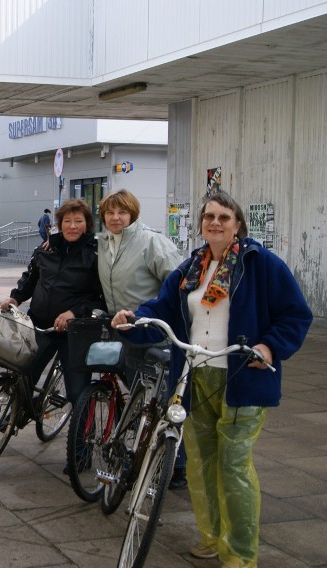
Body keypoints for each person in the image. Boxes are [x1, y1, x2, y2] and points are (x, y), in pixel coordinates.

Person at [112, 191, 312, 568]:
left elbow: (296, 314)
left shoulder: (260, 264)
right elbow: (162, 311)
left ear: (237, 224)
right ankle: (212, 537)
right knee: (202, 464)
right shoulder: (191, 268)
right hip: (193, 375)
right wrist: (134, 321)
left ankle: (239, 553)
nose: (215, 223)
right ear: (201, 224)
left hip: (241, 376)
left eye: (224, 216)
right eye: (209, 217)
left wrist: (269, 348)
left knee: (233, 465)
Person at [96, 188, 188, 486]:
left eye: (122, 212)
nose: (115, 217)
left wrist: (162, 315)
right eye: (110, 212)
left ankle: (176, 465)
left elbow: (180, 281)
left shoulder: (150, 242)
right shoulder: (104, 242)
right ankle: (142, 448)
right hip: (123, 332)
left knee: (164, 400)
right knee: (140, 396)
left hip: (153, 334)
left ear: (132, 214)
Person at [0, 198, 104, 415]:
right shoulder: (46, 249)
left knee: (77, 392)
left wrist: (74, 312)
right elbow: (31, 278)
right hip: (40, 324)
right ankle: (21, 414)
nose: (72, 226)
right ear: (60, 223)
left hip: (75, 332)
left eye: (78, 221)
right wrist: (15, 298)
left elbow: (101, 297)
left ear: (87, 224)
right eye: (67, 221)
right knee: (23, 376)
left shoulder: (95, 254)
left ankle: (82, 442)